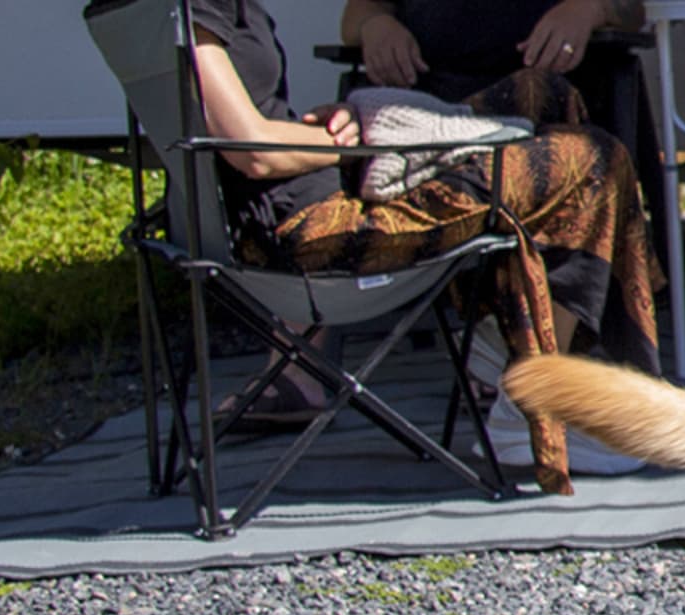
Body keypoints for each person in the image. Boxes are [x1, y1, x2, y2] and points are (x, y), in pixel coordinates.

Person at [186, 0, 660, 494]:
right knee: (593, 160)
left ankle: (503, 334)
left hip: (322, 197)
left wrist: (342, 126)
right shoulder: (194, 14)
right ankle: (530, 405)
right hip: (316, 230)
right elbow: (255, 152)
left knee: (547, 94)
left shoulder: (192, 15)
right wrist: (358, 138)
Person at [339, 0, 645, 107]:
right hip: (429, 104)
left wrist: (589, 8)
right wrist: (374, 24)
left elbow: (632, 10)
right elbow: (359, 12)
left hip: (540, 109)